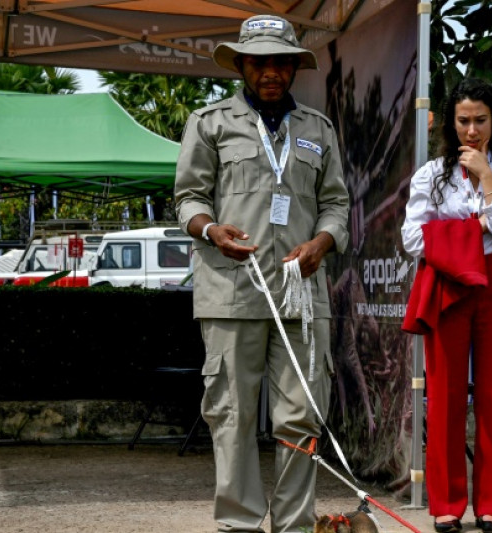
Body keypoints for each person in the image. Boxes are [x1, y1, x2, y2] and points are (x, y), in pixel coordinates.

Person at [173, 14, 349, 533]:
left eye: (281, 62)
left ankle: (294, 525)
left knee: (301, 416)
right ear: (241, 66)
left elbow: (336, 204)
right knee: (232, 415)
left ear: (294, 67)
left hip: (301, 294)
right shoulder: (209, 123)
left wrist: (322, 242)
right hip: (231, 292)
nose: (271, 72)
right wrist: (211, 231)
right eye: (259, 62)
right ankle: (240, 525)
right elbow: (187, 199)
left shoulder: (318, 129)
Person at [401, 78, 492, 533]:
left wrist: (487, 179)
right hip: (448, 281)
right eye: (464, 121)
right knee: (444, 395)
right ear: (450, 123)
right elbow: (412, 238)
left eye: (481, 120)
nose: (472, 130)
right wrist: (472, 229)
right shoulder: (430, 174)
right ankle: (447, 504)